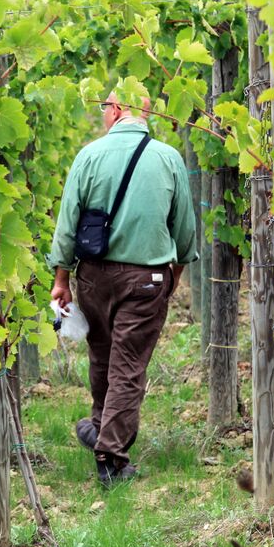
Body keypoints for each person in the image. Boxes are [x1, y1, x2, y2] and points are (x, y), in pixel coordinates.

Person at [48, 95, 198, 486]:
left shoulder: (89, 156)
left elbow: (68, 223)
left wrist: (62, 279)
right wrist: (174, 275)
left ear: (116, 110)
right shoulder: (168, 158)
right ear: (144, 112)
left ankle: (102, 430)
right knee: (128, 366)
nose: (102, 116)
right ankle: (111, 456)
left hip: (94, 277)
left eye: (103, 109)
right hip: (146, 278)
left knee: (102, 356)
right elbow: (184, 230)